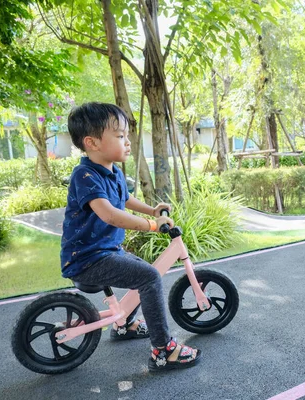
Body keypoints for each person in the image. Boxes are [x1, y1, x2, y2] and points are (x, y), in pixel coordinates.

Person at [60, 102, 200, 372]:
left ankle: (124, 325)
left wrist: (152, 209)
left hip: (105, 252)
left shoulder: (112, 172)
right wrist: (151, 224)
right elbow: (110, 214)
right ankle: (163, 351)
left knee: (141, 270)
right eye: (120, 136)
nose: (127, 142)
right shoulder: (84, 175)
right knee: (148, 276)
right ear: (92, 143)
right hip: (87, 260)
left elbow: (125, 199)